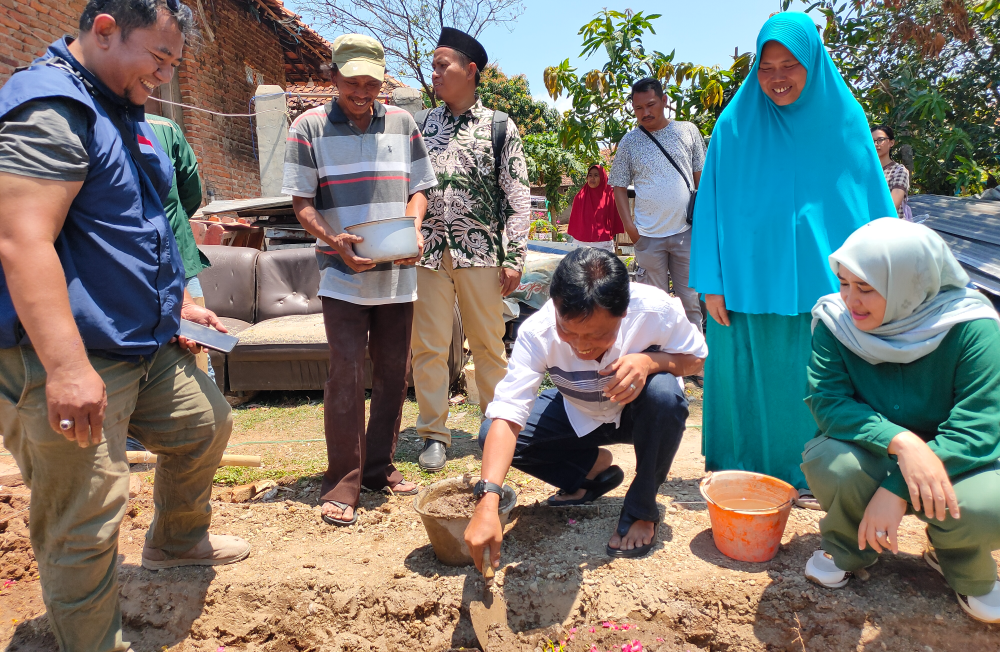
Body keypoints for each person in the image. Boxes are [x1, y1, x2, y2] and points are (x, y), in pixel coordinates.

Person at [0, 2, 250, 650]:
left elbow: (133, 230)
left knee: (204, 423)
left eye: (174, 64)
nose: (166, 76)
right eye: (159, 58)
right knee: (86, 517)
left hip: (141, 342)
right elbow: (22, 241)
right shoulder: (52, 109)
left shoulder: (122, 108)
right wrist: (65, 367)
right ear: (105, 30)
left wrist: (176, 308)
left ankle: (176, 541)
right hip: (70, 355)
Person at [689, 12, 897, 504]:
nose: (777, 77)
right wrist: (710, 280)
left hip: (827, 289)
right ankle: (741, 471)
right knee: (746, 374)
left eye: (790, 64)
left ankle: (815, 475)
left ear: (814, 63)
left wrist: (882, 278)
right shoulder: (734, 125)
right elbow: (710, 205)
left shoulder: (845, 121)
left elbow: (873, 205)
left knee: (815, 380)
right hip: (744, 284)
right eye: (766, 66)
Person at [802, 218, 1000, 623]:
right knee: (834, 465)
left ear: (909, 283)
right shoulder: (836, 322)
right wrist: (903, 443)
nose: (850, 301)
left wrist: (897, 488)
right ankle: (849, 547)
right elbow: (829, 401)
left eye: (867, 288)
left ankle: (960, 557)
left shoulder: (972, 328)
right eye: (844, 283)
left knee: (987, 505)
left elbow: (979, 425)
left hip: (955, 461)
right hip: (872, 448)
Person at [464, 248, 707, 566]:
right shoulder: (537, 332)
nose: (581, 345)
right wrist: (488, 500)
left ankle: (641, 507)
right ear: (555, 307)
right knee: (490, 433)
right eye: (568, 331)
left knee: (664, 395)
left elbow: (697, 359)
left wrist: (649, 362)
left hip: (641, 413)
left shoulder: (655, 309)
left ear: (623, 313)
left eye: (598, 335)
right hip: (581, 411)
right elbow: (508, 413)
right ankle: (592, 471)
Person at [283, 34, 437, 526]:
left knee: (395, 372)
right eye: (352, 83)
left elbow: (419, 190)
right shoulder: (308, 128)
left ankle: (378, 469)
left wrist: (414, 225)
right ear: (333, 78)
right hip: (342, 274)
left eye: (372, 83)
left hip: (397, 276)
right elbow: (301, 203)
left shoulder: (403, 123)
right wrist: (335, 242)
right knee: (345, 372)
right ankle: (342, 480)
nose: (362, 92)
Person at [410, 27, 531, 473]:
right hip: (428, 254)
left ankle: (495, 428)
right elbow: (410, 185)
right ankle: (433, 433)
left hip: (481, 254)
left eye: (444, 65)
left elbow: (517, 197)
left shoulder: (500, 126)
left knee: (488, 346)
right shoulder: (422, 125)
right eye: (435, 65)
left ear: (471, 71)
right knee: (428, 347)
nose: (436, 72)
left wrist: (514, 256)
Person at [609, 77, 705, 332]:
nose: (645, 113)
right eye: (638, 108)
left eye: (651, 105)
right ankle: (659, 361)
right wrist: (630, 229)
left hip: (686, 233)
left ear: (664, 101)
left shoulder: (687, 131)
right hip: (648, 237)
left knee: (691, 302)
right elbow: (618, 185)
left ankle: (693, 359)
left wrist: (705, 223)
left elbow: (701, 179)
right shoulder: (630, 142)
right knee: (654, 304)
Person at [567, 164, 623, 252]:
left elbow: (615, 220)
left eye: (596, 175)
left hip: (603, 245)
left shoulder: (610, 197)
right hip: (581, 244)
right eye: (590, 175)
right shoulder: (580, 197)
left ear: (602, 177)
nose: (592, 178)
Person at [872, 124, 911, 220]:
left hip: (892, 229)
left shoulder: (899, 171)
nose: (876, 144)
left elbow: (893, 206)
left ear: (891, 143)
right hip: (867, 227)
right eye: (872, 141)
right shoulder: (865, 171)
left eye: (880, 140)